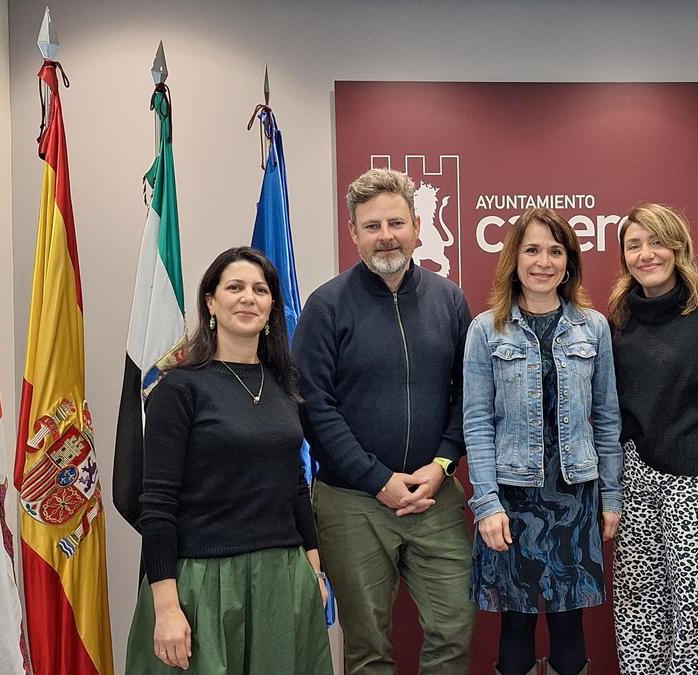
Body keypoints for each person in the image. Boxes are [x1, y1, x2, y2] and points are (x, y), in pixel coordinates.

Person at [293, 168, 474, 674]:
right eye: (371, 226)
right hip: (352, 501)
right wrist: (377, 481)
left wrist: (442, 464)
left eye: (396, 222)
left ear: (417, 226)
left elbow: (469, 395)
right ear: (353, 233)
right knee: (368, 646)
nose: (386, 235)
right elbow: (313, 405)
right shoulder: (326, 306)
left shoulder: (449, 299)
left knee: (454, 628)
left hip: (434, 493)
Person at [125, 246, 331, 674]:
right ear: (211, 301)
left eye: (259, 289)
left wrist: (314, 570)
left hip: (282, 576)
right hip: (202, 582)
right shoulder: (179, 389)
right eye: (234, 287)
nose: (247, 298)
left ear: (273, 306)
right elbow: (157, 504)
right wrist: (165, 607)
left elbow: (294, 484)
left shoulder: (283, 386)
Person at [463, 207, 622, 675]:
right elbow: (476, 423)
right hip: (513, 496)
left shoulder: (592, 328)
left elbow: (608, 418)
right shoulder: (485, 330)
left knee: (570, 622)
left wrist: (610, 496)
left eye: (556, 251)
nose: (543, 261)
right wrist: (487, 504)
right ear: (514, 259)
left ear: (569, 262)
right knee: (515, 622)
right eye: (532, 250)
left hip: (575, 492)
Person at [607, 203, 698, 674]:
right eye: (634, 245)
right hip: (635, 482)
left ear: (678, 247)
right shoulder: (617, 321)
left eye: (656, 241)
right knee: (640, 612)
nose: (646, 253)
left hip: (696, 486)